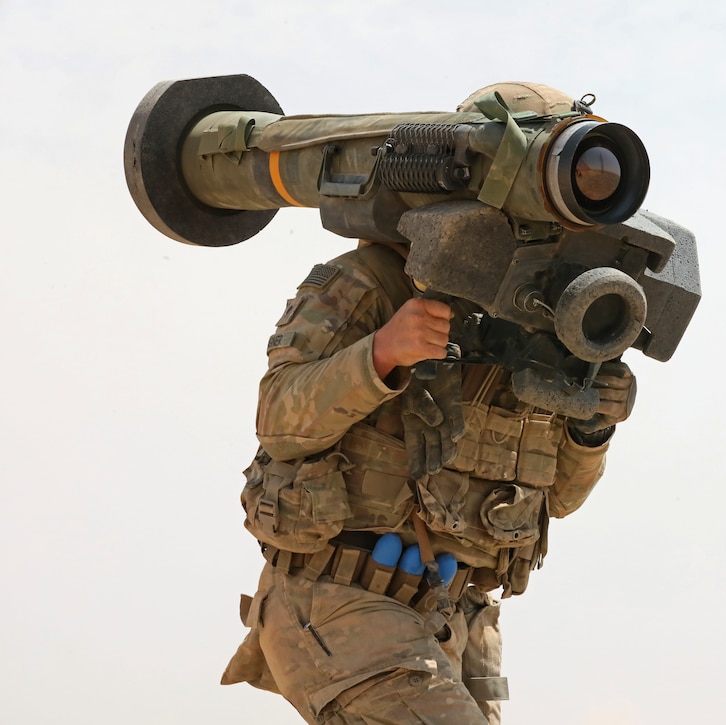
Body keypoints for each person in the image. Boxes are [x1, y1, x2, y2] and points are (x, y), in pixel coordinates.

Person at [220, 82, 637, 725]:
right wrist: (382, 353)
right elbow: (279, 419)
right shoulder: (371, 282)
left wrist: (592, 431)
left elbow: (558, 499)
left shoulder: (552, 320)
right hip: (341, 605)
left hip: (459, 622)